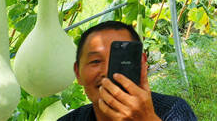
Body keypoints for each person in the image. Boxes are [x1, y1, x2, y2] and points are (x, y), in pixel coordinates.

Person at [59, 21, 196, 121]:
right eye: (95, 61)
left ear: (142, 64)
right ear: (78, 73)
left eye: (121, 59)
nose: (107, 71)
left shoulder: (174, 111)